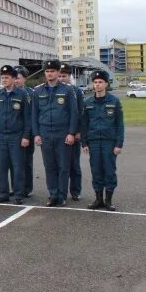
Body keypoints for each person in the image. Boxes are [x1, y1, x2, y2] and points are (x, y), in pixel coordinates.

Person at [32, 59, 79, 207]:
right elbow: (34, 115)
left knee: (63, 166)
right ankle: (53, 194)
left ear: (58, 73)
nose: (50, 74)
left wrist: (71, 133)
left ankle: (62, 195)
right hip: (45, 133)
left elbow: (74, 113)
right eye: (47, 71)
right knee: (50, 166)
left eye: (52, 71)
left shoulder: (67, 90)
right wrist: (36, 134)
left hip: (62, 133)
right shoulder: (38, 91)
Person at [82, 70, 124, 211]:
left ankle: (109, 201)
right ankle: (98, 199)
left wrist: (119, 144)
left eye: (100, 82)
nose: (97, 85)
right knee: (96, 171)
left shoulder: (114, 102)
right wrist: (84, 142)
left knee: (109, 171)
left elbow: (119, 124)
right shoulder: (87, 103)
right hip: (93, 142)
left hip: (109, 142)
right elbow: (84, 124)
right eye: (95, 82)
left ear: (106, 84)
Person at [0, 65, 31, 204]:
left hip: (16, 136)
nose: (4, 80)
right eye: (2, 77)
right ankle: (3, 194)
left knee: (18, 167)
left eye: (7, 77)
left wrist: (25, 136)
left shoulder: (22, 95)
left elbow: (27, 118)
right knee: (2, 167)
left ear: (13, 79)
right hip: (1, 136)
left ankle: (18, 194)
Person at [59, 63, 86, 201]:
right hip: (59, 134)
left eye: (64, 76)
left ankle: (75, 190)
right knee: (61, 165)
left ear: (69, 76)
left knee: (74, 163)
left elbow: (80, 113)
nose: (61, 78)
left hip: (73, 133)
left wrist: (78, 132)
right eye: (60, 76)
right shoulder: (56, 91)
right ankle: (59, 190)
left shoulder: (77, 91)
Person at [14, 66, 35, 197]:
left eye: (18, 78)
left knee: (26, 162)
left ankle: (27, 188)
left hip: (28, 133)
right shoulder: (8, 92)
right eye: (14, 78)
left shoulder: (31, 93)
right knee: (14, 163)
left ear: (25, 79)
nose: (15, 81)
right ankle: (16, 187)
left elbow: (33, 114)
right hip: (14, 134)